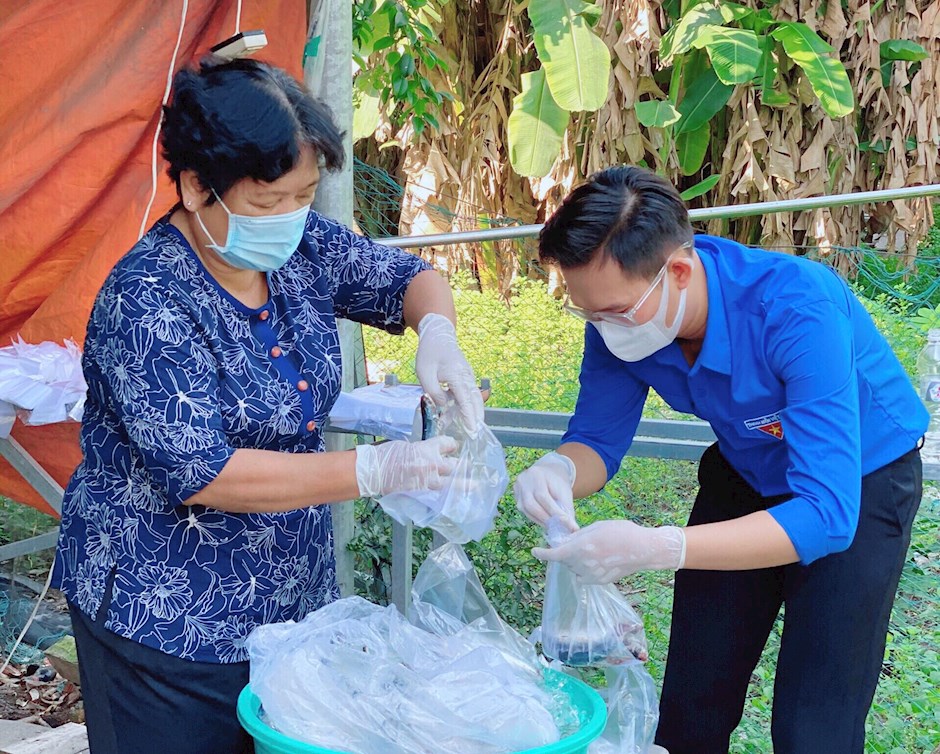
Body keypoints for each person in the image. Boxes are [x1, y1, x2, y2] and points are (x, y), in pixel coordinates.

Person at [51, 56, 484, 754]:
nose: (288, 218)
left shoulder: (300, 246)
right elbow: (206, 474)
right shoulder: (148, 299)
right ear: (196, 186)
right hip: (166, 616)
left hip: (287, 604)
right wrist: (376, 471)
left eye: (304, 196)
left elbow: (406, 278)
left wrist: (437, 332)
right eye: (266, 203)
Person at [514, 166, 927, 754]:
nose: (603, 329)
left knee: (817, 723)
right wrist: (558, 471)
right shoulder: (621, 315)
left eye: (611, 312)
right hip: (749, 463)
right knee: (691, 701)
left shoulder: (795, 306)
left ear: (678, 272)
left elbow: (827, 514)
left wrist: (663, 546)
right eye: (589, 315)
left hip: (859, 476)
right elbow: (597, 442)